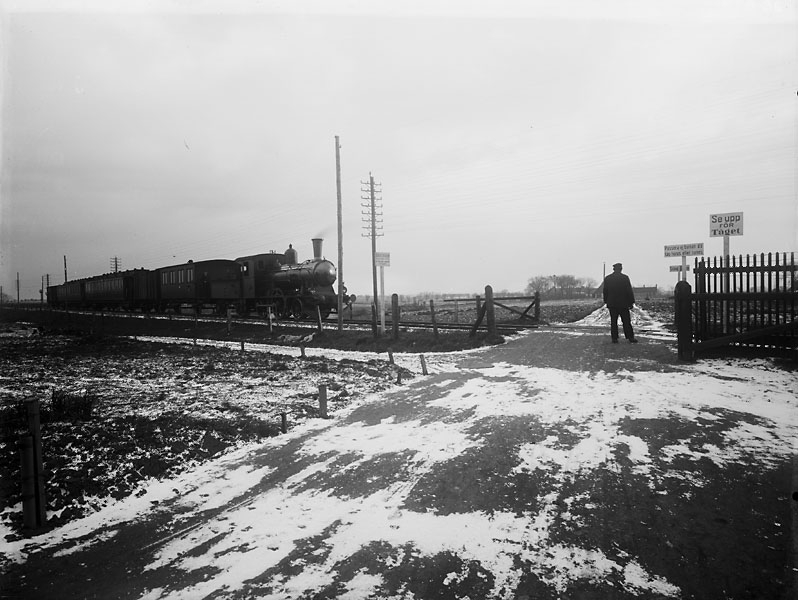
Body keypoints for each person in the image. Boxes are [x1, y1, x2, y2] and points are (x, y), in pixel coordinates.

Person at [603, 263, 638, 343]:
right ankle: (630, 337)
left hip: (612, 303)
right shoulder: (625, 278)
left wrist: (606, 301)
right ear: (621, 269)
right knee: (626, 321)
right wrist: (631, 302)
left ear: (614, 269)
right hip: (623, 303)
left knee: (613, 321)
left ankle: (614, 338)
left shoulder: (608, 278)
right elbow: (629, 290)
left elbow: (605, 291)